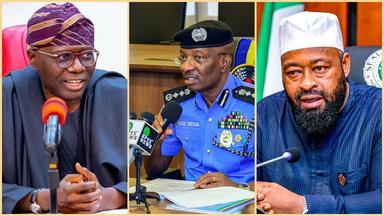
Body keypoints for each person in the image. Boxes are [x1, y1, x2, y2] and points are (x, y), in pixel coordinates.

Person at [2, 3, 127, 213]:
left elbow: (147, 177)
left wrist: (109, 197)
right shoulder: (6, 97)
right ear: (33, 57)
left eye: (87, 55)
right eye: (63, 57)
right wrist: (40, 198)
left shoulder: (118, 94)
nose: (78, 67)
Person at [257, 11, 381, 213]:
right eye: (293, 72)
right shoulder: (265, 114)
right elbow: (246, 186)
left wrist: (302, 206)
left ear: (345, 65)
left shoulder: (378, 110)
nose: (306, 83)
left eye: (320, 68)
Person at [144, 20, 255, 190]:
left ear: (223, 63)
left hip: (242, 202)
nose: (186, 67)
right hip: (189, 201)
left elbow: (276, 176)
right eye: (183, 58)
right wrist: (156, 143)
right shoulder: (178, 105)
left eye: (199, 58)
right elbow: (153, 171)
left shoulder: (255, 103)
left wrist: (235, 186)